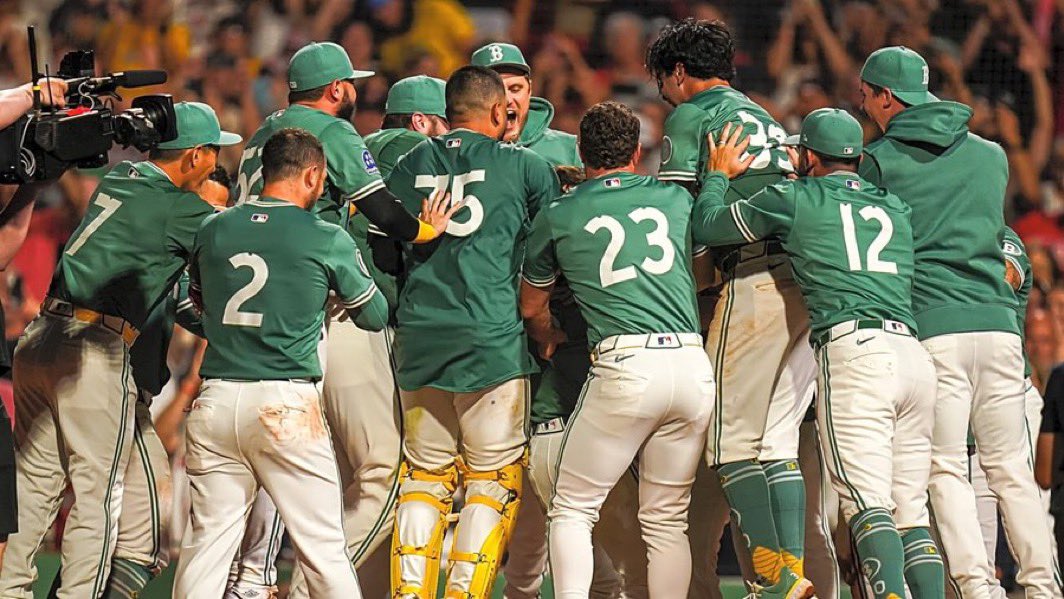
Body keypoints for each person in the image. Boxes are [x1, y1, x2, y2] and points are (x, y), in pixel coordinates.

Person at [229, 42, 454, 599]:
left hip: (258, 321)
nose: (355, 91)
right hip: (325, 311)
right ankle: (310, 587)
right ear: (335, 89)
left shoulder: (264, 135)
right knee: (381, 470)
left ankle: (252, 581)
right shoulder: (331, 132)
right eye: (350, 83)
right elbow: (381, 210)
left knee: (286, 468)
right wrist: (423, 231)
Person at [174, 128, 435, 597]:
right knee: (323, 550)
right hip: (283, 402)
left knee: (207, 546)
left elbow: (196, 299)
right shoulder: (324, 235)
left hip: (215, 398)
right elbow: (374, 316)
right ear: (313, 175)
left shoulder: (213, 228)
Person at [696, 109, 944, 599]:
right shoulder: (895, 206)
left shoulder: (795, 197)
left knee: (867, 503)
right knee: (910, 514)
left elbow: (708, 227)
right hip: (914, 356)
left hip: (858, 351)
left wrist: (719, 176)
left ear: (808, 155)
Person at [0, 102, 240, 598]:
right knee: (97, 497)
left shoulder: (122, 175)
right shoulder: (182, 207)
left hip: (43, 336)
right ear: (193, 156)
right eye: (212, 154)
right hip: (92, 349)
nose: (213, 165)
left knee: (35, 484)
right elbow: (246, 243)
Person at [858, 45, 1059, 599]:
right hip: (998, 328)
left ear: (887, 97)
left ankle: (977, 588)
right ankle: (1044, 588)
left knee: (945, 468)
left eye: (867, 95)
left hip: (933, 328)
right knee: (1011, 470)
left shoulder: (878, 161)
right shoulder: (992, 155)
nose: (865, 106)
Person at [471, 39, 648, 599]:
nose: (510, 99)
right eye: (498, 89)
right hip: (493, 336)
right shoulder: (459, 153)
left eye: (518, 87)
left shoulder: (565, 148)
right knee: (514, 484)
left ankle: (608, 587)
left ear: (529, 92)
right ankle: (525, 589)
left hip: (567, 341)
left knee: (587, 484)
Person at [645, 18, 815, 596]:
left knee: (727, 439)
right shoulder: (762, 113)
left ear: (679, 73)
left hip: (755, 279)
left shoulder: (692, 115)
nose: (663, 93)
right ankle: (791, 574)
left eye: (662, 81)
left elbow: (676, 216)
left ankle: (777, 580)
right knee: (775, 441)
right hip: (803, 281)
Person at [520, 100, 713, 598]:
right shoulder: (674, 199)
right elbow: (704, 274)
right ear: (635, 150)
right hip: (692, 363)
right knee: (667, 520)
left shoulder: (560, 212)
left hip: (627, 365)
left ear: (581, 150)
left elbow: (530, 304)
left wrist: (548, 333)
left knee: (573, 507)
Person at [384, 65, 559, 599]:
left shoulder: (409, 163)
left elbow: (382, 250)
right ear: (497, 110)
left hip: (419, 337)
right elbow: (549, 250)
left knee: (423, 478)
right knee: (491, 482)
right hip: (492, 338)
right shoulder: (527, 166)